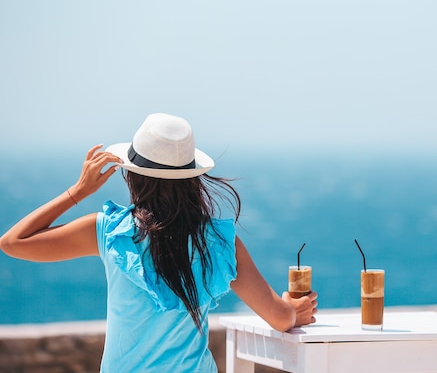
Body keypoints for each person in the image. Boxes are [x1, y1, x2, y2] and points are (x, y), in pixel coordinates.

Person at [0, 113, 318, 372]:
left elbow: (13, 243)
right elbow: (279, 318)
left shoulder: (109, 232)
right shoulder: (219, 241)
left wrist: (78, 192)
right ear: (191, 178)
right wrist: (294, 309)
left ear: (133, 175)